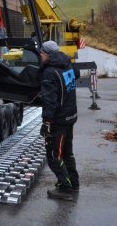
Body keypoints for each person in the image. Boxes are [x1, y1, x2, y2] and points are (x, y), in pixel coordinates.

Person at [37, 40, 80, 201]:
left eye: (42, 52)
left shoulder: (50, 73)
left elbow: (50, 101)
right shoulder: (67, 64)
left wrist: (47, 122)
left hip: (59, 120)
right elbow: (76, 75)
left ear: (48, 54)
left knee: (54, 155)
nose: (40, 55)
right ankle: (74, 182)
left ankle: (65, 187)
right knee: (67, 152)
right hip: (71, 116)